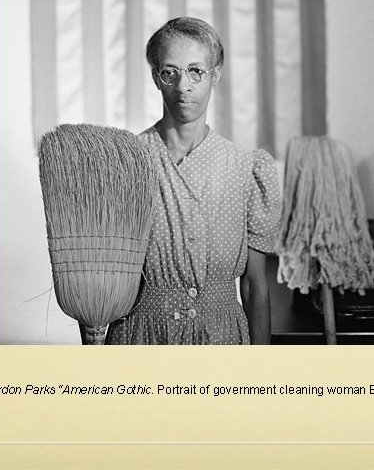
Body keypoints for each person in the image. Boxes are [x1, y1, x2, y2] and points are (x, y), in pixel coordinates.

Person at [106, 17, 280, 344]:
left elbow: (255, 285)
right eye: (169, 72)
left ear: (216, 75)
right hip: (143, 338)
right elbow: (104, 277)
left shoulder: (245, 167)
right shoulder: (127, 162)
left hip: (224, 339)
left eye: (196, 71)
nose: (183, 86)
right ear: (156, 79)